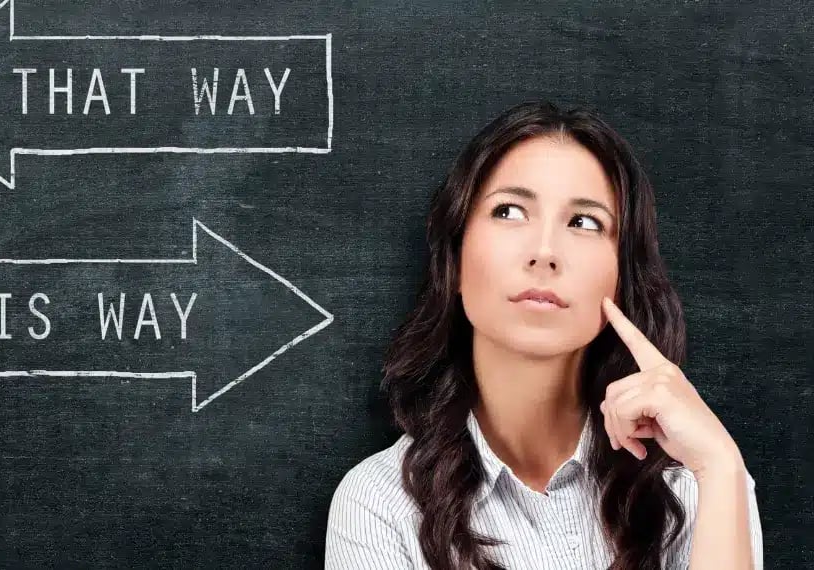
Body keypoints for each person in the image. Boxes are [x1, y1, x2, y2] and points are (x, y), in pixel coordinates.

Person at [324, 100, 763, 570]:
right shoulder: (383, 505)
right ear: (455, 260)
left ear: (621, 278)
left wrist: (721, 467)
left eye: (584, 222)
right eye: (509, 211)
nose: (545, 251)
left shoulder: (698, 482)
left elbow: (714, 475)